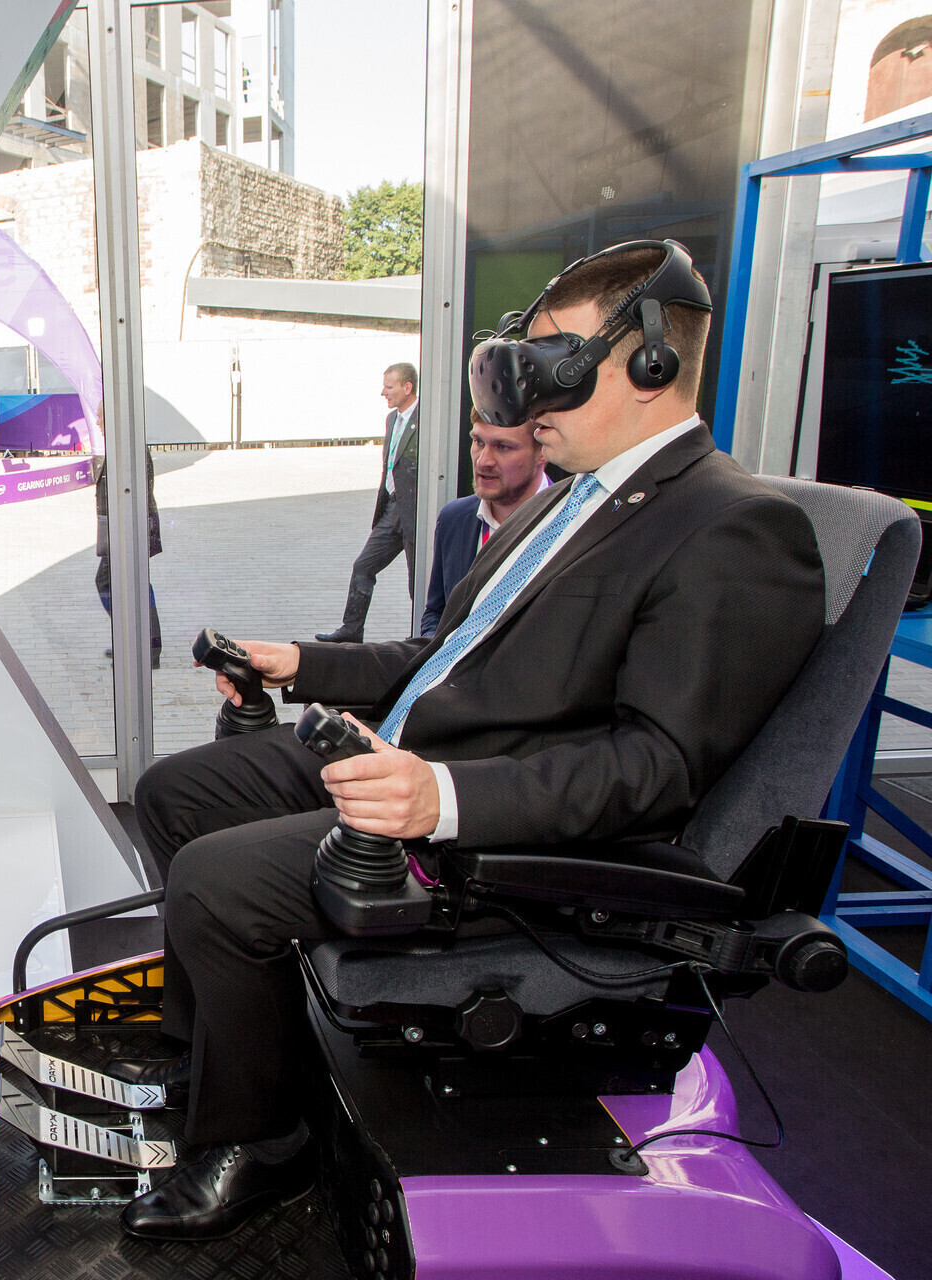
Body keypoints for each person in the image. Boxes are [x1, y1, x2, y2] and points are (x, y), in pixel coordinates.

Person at [115, 243, 826, 1243]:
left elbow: (656, 769)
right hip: (410, 754)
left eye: (556, 362)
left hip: (499, 823)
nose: (529, 392)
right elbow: (440, 655)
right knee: (170, 794)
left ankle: (259, 1139)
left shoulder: (733, 526)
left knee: (214, 880)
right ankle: (223, 1055)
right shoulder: (567, 498)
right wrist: (302, 663)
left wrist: (438, 798)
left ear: (649, 363)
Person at [420, 410, 549, 637]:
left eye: (503, 447)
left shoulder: (570, 524)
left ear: (543, 451)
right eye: (478, 442)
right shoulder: (453, 519)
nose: (483, 461)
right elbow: (437, 613)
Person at [318, 364, 421, 643]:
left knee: (417, 581)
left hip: (414, 513)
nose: (383, 392)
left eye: (389, 387)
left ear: (407, 387)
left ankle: (423, 636)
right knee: (363, 566)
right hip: (391, 510)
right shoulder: (392, 419)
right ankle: (351, 632)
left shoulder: (425, 419)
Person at [96, 450, 162, 668]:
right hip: (125, 529)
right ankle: (140, 644)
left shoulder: (127, 446)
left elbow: (133, 491)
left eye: (100, 416)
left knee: (109, 582)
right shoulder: (121, 444)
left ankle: (141, 645)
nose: (101, 431)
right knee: (135, 585)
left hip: (129, 530)